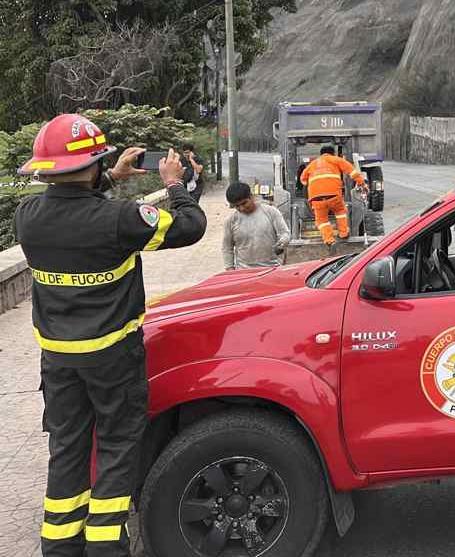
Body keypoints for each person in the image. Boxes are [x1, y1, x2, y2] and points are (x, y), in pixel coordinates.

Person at [15, 114, 207, 556]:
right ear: (97, 163)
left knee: (68, 450)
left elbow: (73, 208)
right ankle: (105, 546)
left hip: (57, 361)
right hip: (113, 359)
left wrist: (107, 177)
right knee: (118, 446)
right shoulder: (120, 219)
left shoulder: (28, 218)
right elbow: (190, 225)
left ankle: (60, 546)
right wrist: (176, 184)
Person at [299, 145, 365, 245]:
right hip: (333, 196)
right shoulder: (336, 160)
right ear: (333, 153)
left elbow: (303, 179)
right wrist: (361, 183)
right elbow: (352, 171)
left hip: (316, 199)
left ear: (321, 154)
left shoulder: (312, 164)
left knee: (321, 220)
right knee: (340, 212)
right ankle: (343, 233)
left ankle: (328, 239)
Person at [222, 182, 291, 270]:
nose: (241, 208)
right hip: (244, 271)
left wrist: (283, 241)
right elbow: (227, 248)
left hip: (272, 268)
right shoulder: (231, 221)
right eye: (237, 206)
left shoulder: (271, 212)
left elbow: (285, 233)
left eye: (244, 203)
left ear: (251, 197)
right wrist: (230, 270)